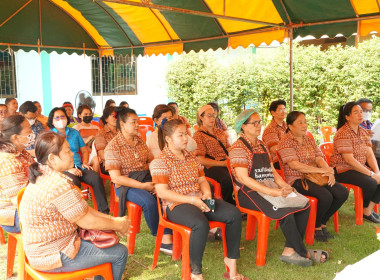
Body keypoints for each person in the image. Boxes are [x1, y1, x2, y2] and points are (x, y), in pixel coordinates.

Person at [19, 132, 129, 280]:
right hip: (53, 256)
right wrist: (118, 224)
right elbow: (87, 221)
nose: (72, 154)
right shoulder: (57, 184)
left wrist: (114, 220)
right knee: (120, 252)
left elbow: (84, 210)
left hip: (47, 249)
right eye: (67, 151)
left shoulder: (44, 175)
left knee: (106, 240)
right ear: (52, 158)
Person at [150, 119, 246, 280]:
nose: (186, 138)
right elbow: (162, 193)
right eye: (180, 135)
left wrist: (207, 194)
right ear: (168, 139)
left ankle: (231, 263)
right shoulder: (159, 162)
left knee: (233, 214)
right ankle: (195, 273)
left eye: (186, 134)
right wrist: (192, 201)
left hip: (199, 200)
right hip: (176, 205)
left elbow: (202, 180)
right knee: (200, 224)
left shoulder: (191, 157)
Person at [230, 109, 328, 266]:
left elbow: (272, 171)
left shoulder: (261, 144)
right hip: (249, 192)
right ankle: (302, 252)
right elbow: (243, 178)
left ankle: (290, 251)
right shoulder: (238, 147)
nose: (258, 126)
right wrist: (274, 192)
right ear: (243, 126)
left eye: (259, 122)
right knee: (285, 211)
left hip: (270, 187)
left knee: (303, 204)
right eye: (254, 123)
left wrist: (284, 186)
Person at [105, 107, 173, 253]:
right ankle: (162, 238)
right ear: (122, 124)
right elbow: (116, 178)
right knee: (148, 201)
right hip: (126, 185)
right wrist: (143, 186)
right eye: (133, 122)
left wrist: (156, 179)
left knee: (166, 192)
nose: (137, 125)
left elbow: (150, 161)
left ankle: (171, 230)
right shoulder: (112, 147)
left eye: (137, 122)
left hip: (146, 177)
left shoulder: (139, 140)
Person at [277, 111, 349, 241]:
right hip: (298, 179)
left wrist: (328, 170)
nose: (304, 125)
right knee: (325, 196)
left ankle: (322, 222)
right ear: (290, 126)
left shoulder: (308, 139)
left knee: (342, 192)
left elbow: (318, 157)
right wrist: (320, 172)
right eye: (300, 123)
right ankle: (316, 227)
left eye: (305, 122)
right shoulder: (285, 142)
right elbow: (295, 165)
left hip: (316, 177)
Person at [48, 107, 109, 214]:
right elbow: (50, 159)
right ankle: (77, 214)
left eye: (62, 116)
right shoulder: (49, 136)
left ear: (67, 118)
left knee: (95, 177)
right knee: (73, 181)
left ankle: (103, 212)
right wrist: (68, 169)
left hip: (78, 166)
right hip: (61, 170)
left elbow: (84, 150)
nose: (60, 119)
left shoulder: (74, 133)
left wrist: (85, 162)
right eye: (56, 117)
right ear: (52, 121)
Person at [330, 102, 380, 223]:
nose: (360, 114)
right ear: (347, 117)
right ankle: (364, 210)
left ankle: (368, 209)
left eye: (361, 112)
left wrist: (377, 171)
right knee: (371, 182)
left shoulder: (363, 132)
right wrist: (371, 174)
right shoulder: (343, 133)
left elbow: (369, 153)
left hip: (357, 168)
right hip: (342, 170)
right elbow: (349, 160)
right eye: (356, 112)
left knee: (378, 178)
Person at [193, 105, 234, 205]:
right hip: (210, 166)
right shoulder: (198, 135)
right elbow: (200, 160)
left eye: (214, 115)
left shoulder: (220, 132)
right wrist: (223, 164)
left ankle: (242, 201)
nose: (212, 118)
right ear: (201, 117)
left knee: (244, 171)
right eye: (209, 116)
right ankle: (229, 203)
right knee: (227, 178)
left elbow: (228, 148)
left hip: (226, 162)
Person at [0, 115, 35, 233]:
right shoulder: (7, 161)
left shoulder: (22, 152)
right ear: (15, 137)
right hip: (15, 214)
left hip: (31, 205)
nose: (32, 133)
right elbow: (19, 200)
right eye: (28, 130)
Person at [73, 105, 100, 171]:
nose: (88, 116)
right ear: (79, 115)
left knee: (97, 160)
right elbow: (74, 145)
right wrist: (87, 140)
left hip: (94, 153)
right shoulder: (76, 128)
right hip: (82, 154)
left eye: (90, 114)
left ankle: (96, 179)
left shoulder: (96, 128)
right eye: (86, 114)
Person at [262, 99, 287, 169]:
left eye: (284, 109)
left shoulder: (288, 126)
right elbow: (276, 150)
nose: (284, 112)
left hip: (289, 158)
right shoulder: (270, 129)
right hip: (277, 162)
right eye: (280, 110)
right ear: (273, 113)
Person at [95, 106, 118, 175]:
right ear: (106, 119)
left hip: (125, 161)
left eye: (117, 116)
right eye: (112, 116)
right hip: (109, 163)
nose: (115, 118)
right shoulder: (101, 133)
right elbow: (102, 155)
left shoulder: (122, 131)